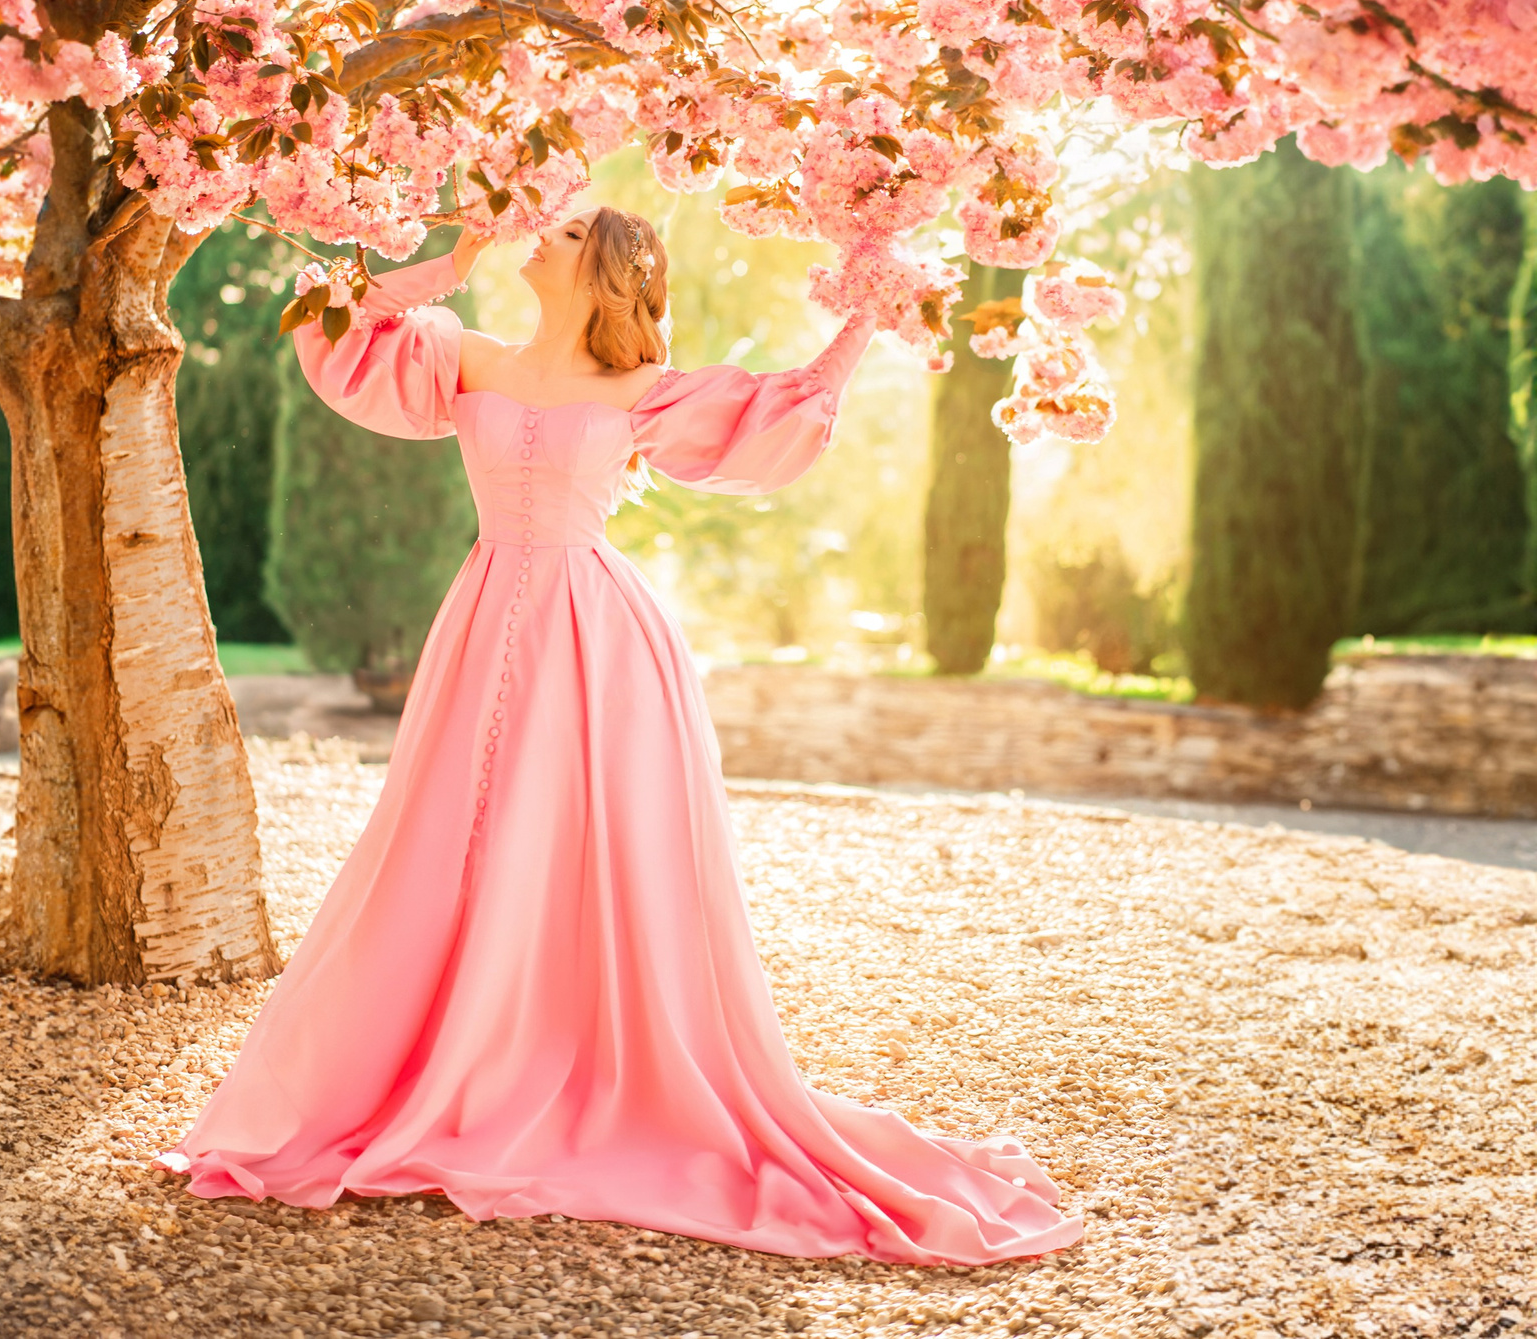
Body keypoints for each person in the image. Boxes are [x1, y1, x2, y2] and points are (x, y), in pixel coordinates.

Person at [156, 207, 1082, 1263]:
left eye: (553, 234)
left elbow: (781, 416)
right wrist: (450, 263)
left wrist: (865, 318)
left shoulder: (642, 393)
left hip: (599, 636)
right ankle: (446, 1056)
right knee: (449, 840)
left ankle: (570, 1071)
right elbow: (326, 323)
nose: (529, 237)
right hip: (483, 614)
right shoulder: (466, 355)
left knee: (586, 852)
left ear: (599, 273)